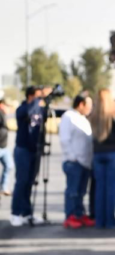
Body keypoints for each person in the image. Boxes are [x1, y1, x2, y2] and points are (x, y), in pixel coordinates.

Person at [10, 85, 51, 226]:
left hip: (35, 150)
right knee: (21, 182)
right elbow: (27, 111)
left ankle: (27, 213)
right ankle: (15, 213)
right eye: (38, 96)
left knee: (29, 183)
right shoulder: (22, 108)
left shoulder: (39, 109)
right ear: (30, 96)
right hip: (23, 150)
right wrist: (39, 98)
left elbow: (49, 114)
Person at [90, 88, 115, 229]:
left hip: (98, 153)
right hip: (114, 153)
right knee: (111, 189)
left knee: (100, 188)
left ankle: (100, 220)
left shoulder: (93, 115)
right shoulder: (114, 114)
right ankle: (110, 221)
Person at [59, 92, 94, 229]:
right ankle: (70, 216)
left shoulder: (83, 118)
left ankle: (79, 214)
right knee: (72, 191)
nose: (90, 108)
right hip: (74, 162)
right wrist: (72, 157)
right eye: (89, 105)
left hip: (85, 162)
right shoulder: (68, 117)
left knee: (81, 192)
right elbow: (64, 139)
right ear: (81, 104)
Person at [0, 95, 13, 198]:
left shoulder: (3, 114)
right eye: (6, 105)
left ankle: (3, 187)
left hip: (4, 146)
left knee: (9, 165)